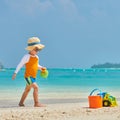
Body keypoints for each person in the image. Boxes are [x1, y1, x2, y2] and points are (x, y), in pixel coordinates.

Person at [12, 37, 46, 107]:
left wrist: (41, 68)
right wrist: (15, 73)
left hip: (33, 77)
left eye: (38, 50)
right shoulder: (26, 56)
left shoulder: (36, 57)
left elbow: (36, 66)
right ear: (31, 49)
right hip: (28, 77)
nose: (37, 51)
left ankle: (21, 103)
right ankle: (36, 103)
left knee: (27, 90)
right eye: (36, 49)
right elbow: (20, 64)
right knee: (36, 88)